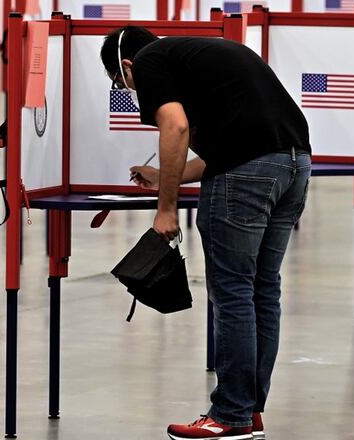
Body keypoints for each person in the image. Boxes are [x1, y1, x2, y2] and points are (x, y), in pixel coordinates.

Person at [100, 26, 311, 439]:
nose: (131, 89)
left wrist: (166, 209)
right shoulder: (206, 54)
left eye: (122, 84)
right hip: (295, 164)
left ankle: (229, 415)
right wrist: (166, 178)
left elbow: (175, 128)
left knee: (232, 291)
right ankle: (248, 410)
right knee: (262, 288)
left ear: (127, 65)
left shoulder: (148, 63)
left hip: (248, 173)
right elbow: (229, 148)